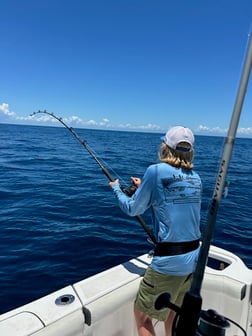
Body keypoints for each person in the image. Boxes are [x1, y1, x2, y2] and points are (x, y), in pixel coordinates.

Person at [109, 126, 202, 336]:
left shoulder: (155, 171)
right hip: (194, 259)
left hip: (170, 261)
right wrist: (144, 186)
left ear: (165, 147)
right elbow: (173, 199)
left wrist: (116, 188)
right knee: (173, 316)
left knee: (142, 317)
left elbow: (133, 208)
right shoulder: (196, 177)